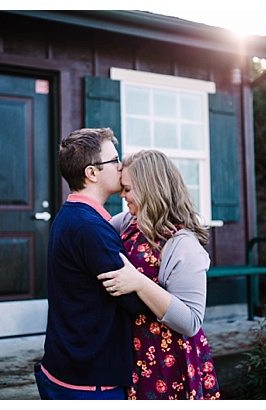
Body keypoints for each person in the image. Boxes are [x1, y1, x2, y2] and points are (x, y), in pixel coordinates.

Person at [97, 149, 221, 399]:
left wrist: (139, 283)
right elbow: (95, 231)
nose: (122, 195)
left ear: (150, 189)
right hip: (131, 354)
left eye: (128, 189)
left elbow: (190, 322)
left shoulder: (182, 244)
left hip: (167, 363)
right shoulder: (129, 223)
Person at [36, 128, 149, 400]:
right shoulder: (90, 228)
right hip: (89, 382)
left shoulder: (71, 215)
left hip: (65, 367)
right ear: (92, 173)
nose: (121, 166)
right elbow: (135, 301)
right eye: (115, 160)